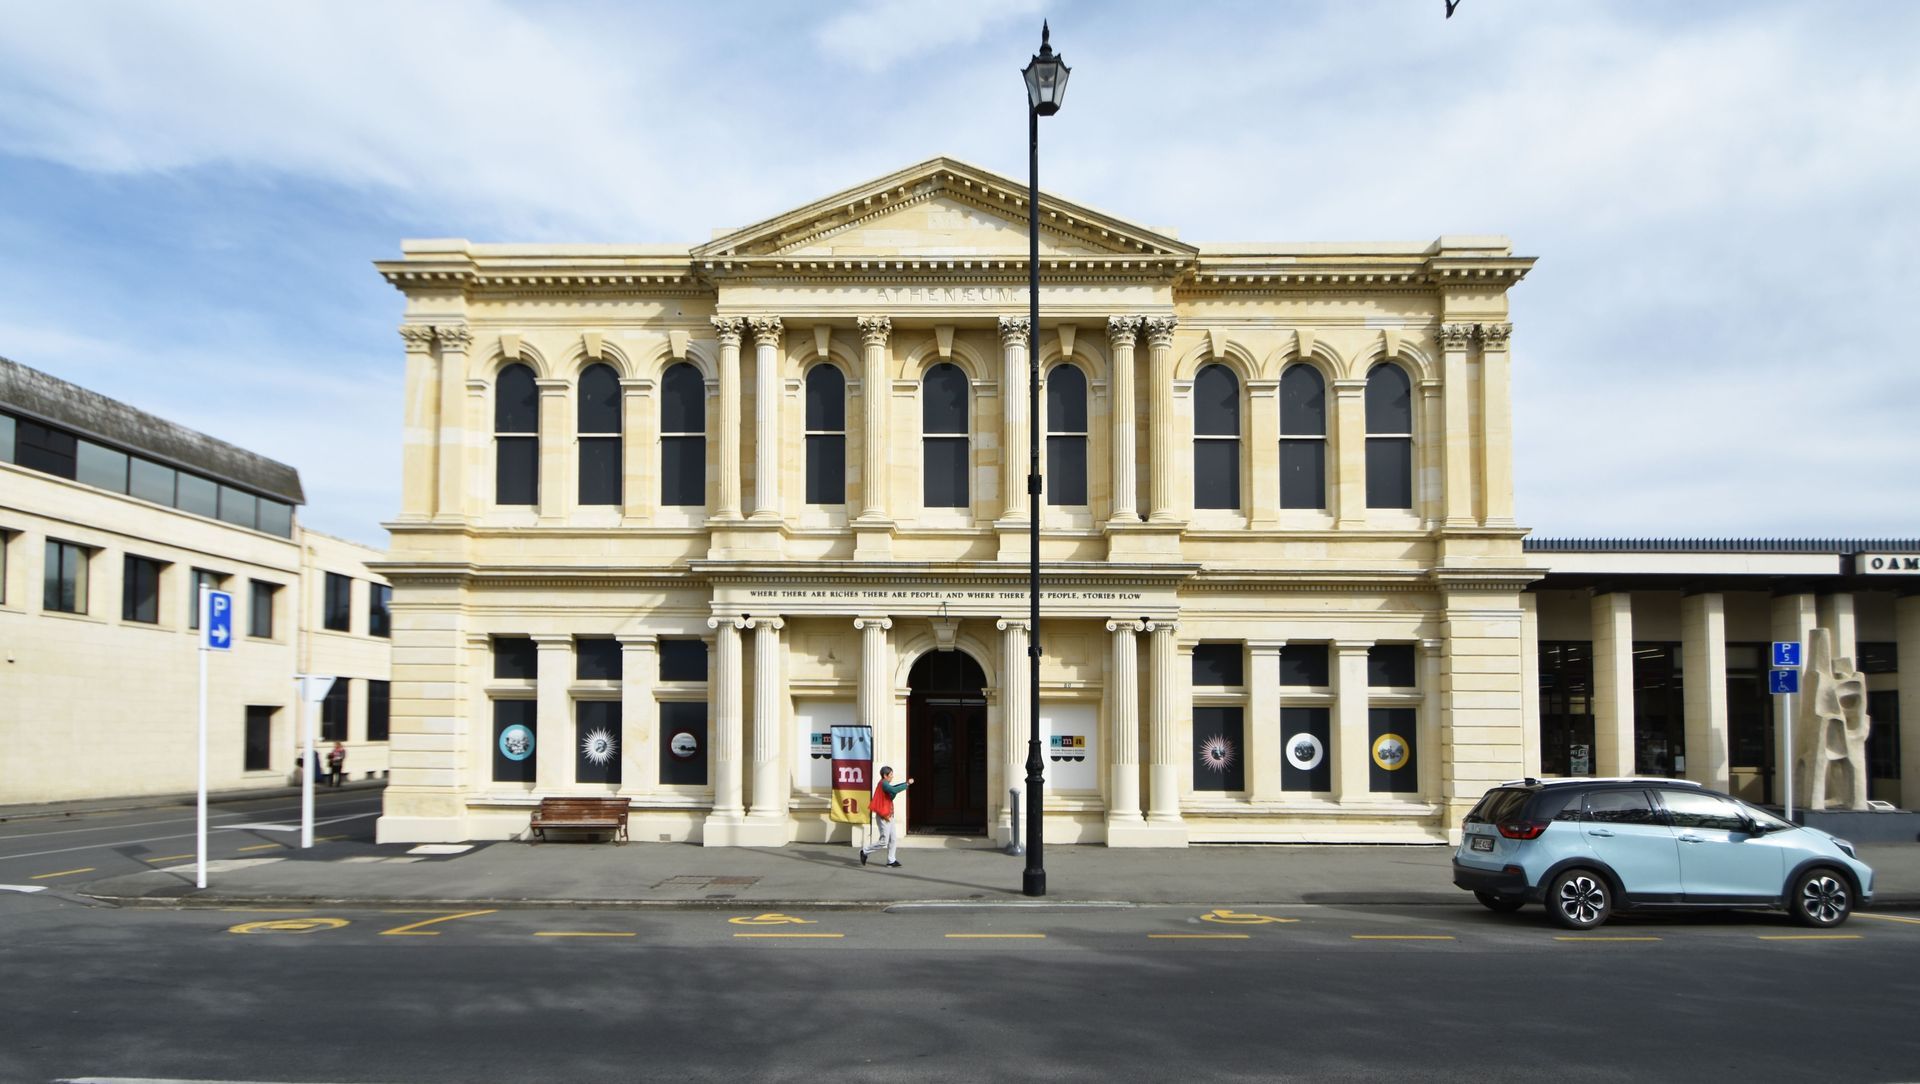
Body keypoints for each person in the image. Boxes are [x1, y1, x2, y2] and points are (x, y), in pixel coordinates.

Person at [859, 766, 913, 868]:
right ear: (885, 775)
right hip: (884, 816)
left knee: (893, 839)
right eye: (891, 774)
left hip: (889, 815)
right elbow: (895, 790)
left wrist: (905, 784)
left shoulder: (885, 784)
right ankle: (864, 851)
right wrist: (907, 784)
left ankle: (891, 861)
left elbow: (893, 789)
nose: (892, 776)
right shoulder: (883, 783)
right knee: (884, 841)